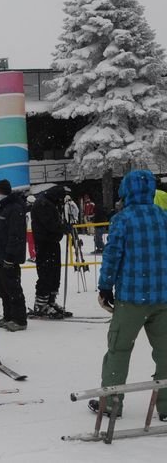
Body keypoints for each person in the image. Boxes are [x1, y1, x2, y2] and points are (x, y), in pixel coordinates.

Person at [90, 169, 167, 422]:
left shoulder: (122, 220)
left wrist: (104, 288)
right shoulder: (163, 217)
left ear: (126, 192)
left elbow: (112, 257)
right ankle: (166, 405)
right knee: (166, 352)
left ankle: (112, 403)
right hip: (163, 298)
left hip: (131, 299)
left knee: (119, 350)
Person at [0, 179, 28, 333]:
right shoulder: (1, 207)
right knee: (2, 287)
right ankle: (8, 316)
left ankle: (19, 319)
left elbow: (16, 235)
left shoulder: (14, 209)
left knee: (13, 287)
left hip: (8, 257)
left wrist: (10, 257)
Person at [31, 185, 69, 318]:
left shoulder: (49, 202)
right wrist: (62, 227)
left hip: (51, 242)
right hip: (44, 243)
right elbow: (50, 224)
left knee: (54, 273)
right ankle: (41, 303)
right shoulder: (43, 204)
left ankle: (50, 301)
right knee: (46, 273)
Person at [25, 195, 37, 262]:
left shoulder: (27, 212)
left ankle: (33, 256)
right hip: (36, 229)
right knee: (35, 243)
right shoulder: (37, 210)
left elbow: (26, 222)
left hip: (29, 230)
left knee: (31, 244)